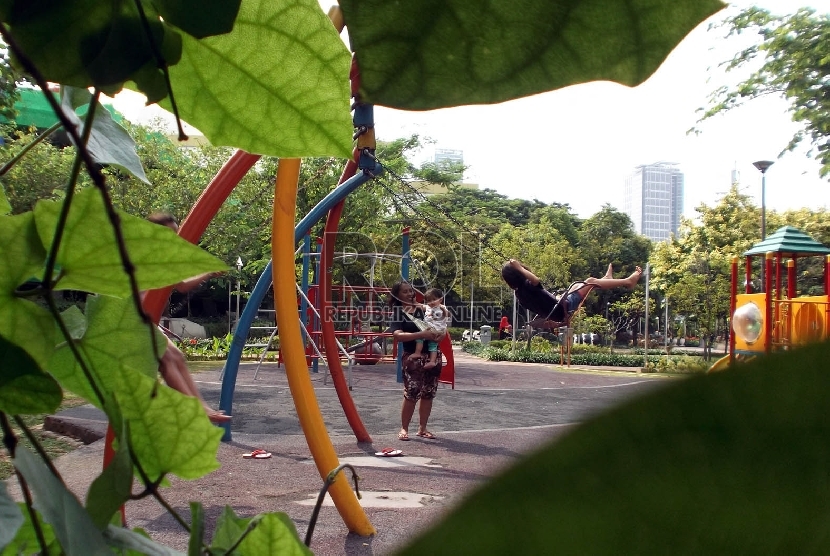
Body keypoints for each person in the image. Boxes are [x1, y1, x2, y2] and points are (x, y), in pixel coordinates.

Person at [146, 212, 230, 424]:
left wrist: (209, 273)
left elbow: (181, 284)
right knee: (166, 358)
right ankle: (195, 409)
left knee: (177, 357)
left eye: (177, 233)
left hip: (146, 321)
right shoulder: (144, 256)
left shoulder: (162, 260)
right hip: (130, 321)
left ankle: (201, 406)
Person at [502, 259, 642, 328]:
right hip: (564, 307)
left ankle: (606, 280)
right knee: (590, 282)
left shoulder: (519, 294)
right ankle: (628, 281)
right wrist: (519, 267)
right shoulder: (529, 286)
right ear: (520, 274)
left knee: (587, 283)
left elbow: (542, 303)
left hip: (557, 310)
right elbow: (535, 279)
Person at [388, 281, 447, 441]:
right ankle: (404, 428)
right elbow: (397, 335)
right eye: (405, 292)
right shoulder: (399, 313)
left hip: (432, 354)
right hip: (413, 357)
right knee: (411, 393)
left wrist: (442, 333)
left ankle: (422, 428)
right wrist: (420, 335)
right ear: (397, 295)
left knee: (429, 392)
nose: (410, 294)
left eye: (411, 291)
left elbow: (441, 320)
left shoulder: (424, 309)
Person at [409, 288, 449, 370]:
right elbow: (420, 306)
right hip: (434, 330)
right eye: (429, 300)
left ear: (440, 299)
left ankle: (417, 352)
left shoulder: (441, 307)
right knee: (433, 345)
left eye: (434, 299)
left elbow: (445, 314)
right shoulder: (428, 307)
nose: (431, 302)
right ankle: (432, 361)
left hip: (435, 330)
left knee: (420, 335)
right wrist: (414, 302)